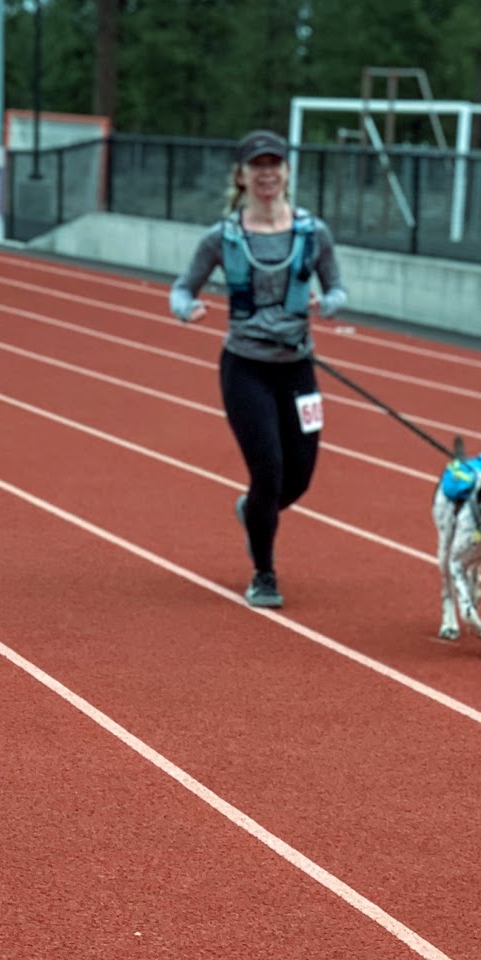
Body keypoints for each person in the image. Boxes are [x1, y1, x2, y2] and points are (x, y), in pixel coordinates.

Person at [169, 129, 348, 609]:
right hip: (245, 368)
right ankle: (264, 573)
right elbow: (182, 288)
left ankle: (253, 513)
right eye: (257, 166)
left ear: (287, 172)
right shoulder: (224, 236)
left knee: (300, 475)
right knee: (268, 469)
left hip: (298, 368)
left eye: (275, 164)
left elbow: (338, 289)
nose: (267, 173)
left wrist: (327, 304)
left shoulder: (313, 232)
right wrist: (187, 310)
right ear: (242, 175)